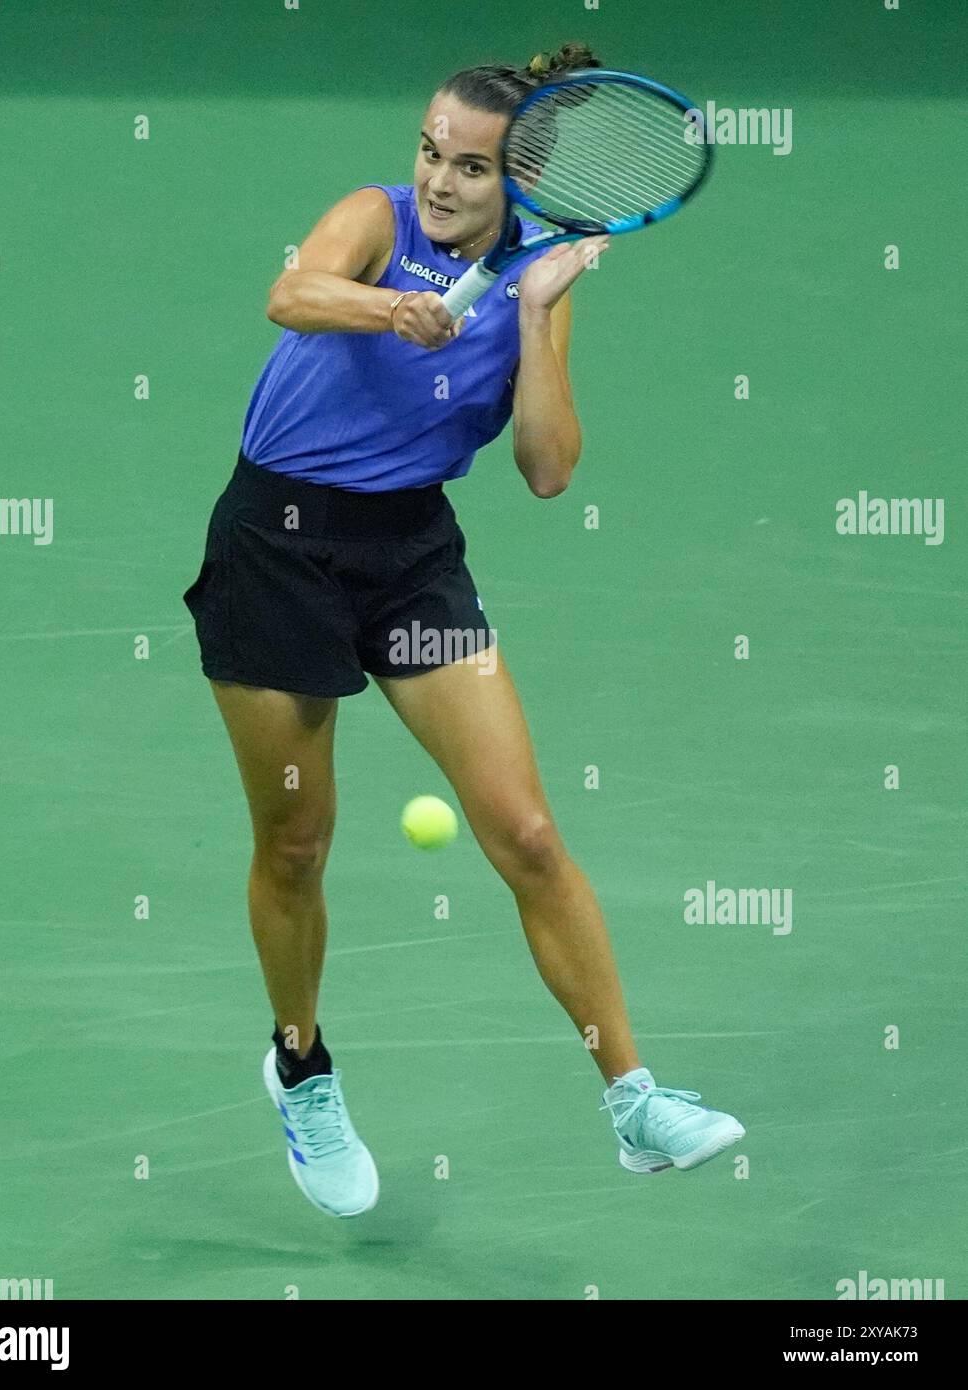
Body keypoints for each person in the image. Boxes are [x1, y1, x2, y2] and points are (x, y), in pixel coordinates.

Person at [182, 41, 745, 1218]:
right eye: (432, 152)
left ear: (521, 180)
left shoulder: (539, 280)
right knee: (297, 842)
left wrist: (535, 317)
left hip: (408, 563)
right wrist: (396, 309)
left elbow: (546, 469)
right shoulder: (374, 221)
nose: (441, 179)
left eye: (472, 166)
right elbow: (290, 293)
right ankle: (301, 1066)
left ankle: (634, 1097)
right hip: (277, 546)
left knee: (528, 831)